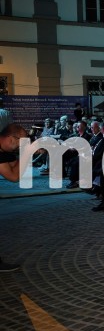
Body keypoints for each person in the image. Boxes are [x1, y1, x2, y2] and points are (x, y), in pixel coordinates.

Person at [0, 109, 28, 272]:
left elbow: (13, 164)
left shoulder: (5, 150)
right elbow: (13, 176)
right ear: (11, 138)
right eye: (20, 143)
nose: (20, 147)